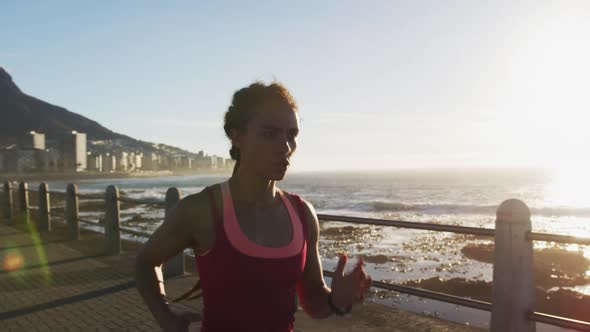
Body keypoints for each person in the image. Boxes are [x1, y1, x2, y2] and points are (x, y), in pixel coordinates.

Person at [135, 81, 372, 332]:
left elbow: (313, 301)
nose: (286, 147)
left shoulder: (303, 214)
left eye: (292, 134)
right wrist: (166, 318)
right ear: (237, 135)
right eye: (269, 133)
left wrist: (337, 300)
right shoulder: (202, 210)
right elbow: (145, 262)